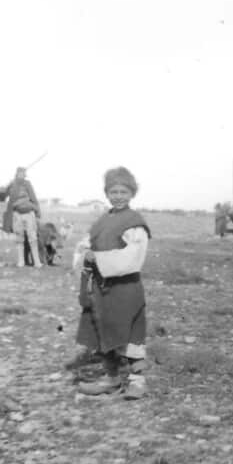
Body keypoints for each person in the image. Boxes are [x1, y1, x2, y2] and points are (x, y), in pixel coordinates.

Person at [73, 167, 151, 399]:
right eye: (113, 191)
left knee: (130, 332)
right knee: (103, 331)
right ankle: (111, 378)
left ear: (132, 193)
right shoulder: (102, 221)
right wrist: (85, 253)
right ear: (107, 193)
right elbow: (86, 244)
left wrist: (98, 258)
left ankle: (137, 381)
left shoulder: (134, 222)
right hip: (101, 286)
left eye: (123, 191)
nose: (118, 196)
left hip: (125, 288)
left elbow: (134, 257)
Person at [0, 167, 42, 267]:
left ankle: (37, 262)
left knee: (33, 238)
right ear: (16, 174)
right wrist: (3, 189)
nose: (22, 175)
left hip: (29, 213)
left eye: (23, 173)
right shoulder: (12, 185)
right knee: (19, 238)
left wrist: (38, 213)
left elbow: (33, 197)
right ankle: (21, 262)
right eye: (20, 173)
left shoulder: (27, 184)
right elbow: (2, 197)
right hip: (17, 214)